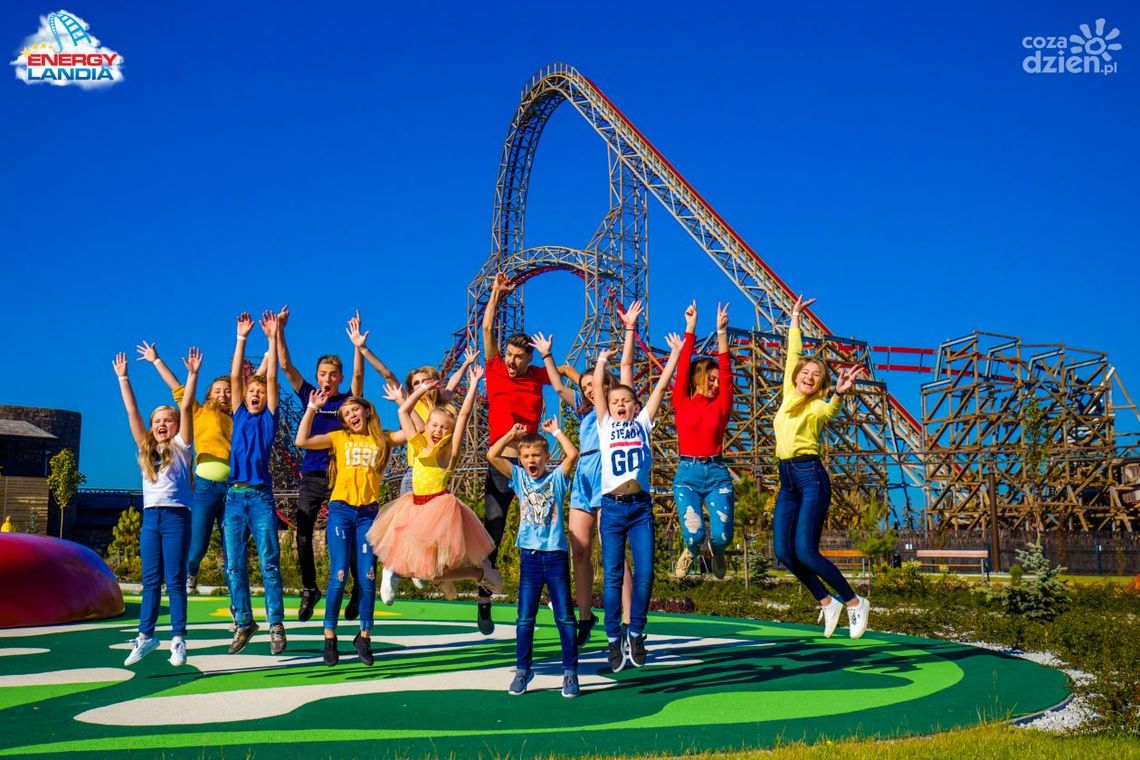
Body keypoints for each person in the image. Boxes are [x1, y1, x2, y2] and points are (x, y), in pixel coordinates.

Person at [530, 303, 640, 647]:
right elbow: (560, 388)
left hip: (608, 477)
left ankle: (625, 620)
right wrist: (548, 357)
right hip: (583, 478)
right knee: (579, 549)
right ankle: (585, 616)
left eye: (596, 384)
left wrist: (629, 331)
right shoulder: (586, 412)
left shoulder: (614, 411)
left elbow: (627, 368)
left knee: (614, 554)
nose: (591, 389)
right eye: (587, 385)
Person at [773, 295, 869, 639]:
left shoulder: (816, 407)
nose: (809, 376)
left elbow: (830, 412)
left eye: (817, 375)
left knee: (805, 550)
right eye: (806, 372)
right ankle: (827, 602)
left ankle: (855, 602)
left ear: (821, 384)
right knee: (783, 552)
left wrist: (839, 393)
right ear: (797, 376)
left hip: (810, 476)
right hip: (787, 479)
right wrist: (795, 317)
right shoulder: (788, 393)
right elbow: (793, 353)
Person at [368, 365, 503, 603]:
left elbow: (462, 416)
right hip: (414, 506)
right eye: (434, 425)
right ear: (426, 426)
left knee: (434, 573)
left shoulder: (448, 453)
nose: (438, 430)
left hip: (439, 512)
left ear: (449, 432)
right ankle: (449, 579)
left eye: (444, 428)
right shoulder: (418, 445)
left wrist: (472, 385)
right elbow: (403, 413)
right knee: (422, 568)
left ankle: (479, 573)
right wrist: (419, 392)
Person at [592, 329, 684, 672]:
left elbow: (660, 387)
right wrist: (602, 362)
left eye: (625, 401)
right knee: (613, 575)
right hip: (612, 507)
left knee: (646, 573)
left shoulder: (643, 423)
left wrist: (674, 354)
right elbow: (600, 394)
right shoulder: (604, 425)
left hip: (641, 507)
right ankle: (613, 638)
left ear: (634, 405)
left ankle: (638, 631)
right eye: (614, 401)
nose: (618, 404)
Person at [295, 392, 403, 666]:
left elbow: (416, 433)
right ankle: (329, 636)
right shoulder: (338, 438)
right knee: (339, 574)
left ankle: (364, 637)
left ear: (367, 411)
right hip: (341, 510)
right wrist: (311, 408)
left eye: (355, 410)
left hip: (368, 513)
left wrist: (403, 403)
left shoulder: (383, 439)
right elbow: (301, 440)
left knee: (367, 576)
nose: (351, 416)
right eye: (346, 414)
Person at [276, 306, 365, 623]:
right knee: (302, 532)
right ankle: (309, 588)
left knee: (350, 534)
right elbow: (285, 365)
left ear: (339, 378)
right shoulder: (309, 395)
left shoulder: (347, 403)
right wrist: (280, 331)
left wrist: (357, 346)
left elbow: (358, 375)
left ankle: (358, 590)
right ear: (317, 377)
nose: (328, 379)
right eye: (323, 374)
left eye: (333, 375)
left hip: (343, 475)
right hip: (313, 474)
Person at [113, 346, 200, 667]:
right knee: (151, 581)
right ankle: (146, 636)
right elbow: (132, 413)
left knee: (174, 579)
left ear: (176, 425)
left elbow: (187, 405)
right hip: (152, 519)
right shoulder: (146, 447)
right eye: (158, 421)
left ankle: (178, 639)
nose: (163, 424)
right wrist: (124, 378)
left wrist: (192, 375)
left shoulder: (182, 446)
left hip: (177, 517)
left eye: (168, 420)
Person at [478, 272, 550, 633]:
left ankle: (546, 595)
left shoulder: (537, 375)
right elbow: (488, 330)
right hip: (501, 463)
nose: (511, 361)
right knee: (493, 530)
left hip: (533, 465)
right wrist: (495, 294)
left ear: (529, 358)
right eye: (509, 355)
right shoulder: (494, 371)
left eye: (519, 357)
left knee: (541, 528)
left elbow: (564, 376)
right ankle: (484, 597)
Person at [488, 420, 580, 697]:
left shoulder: (556, 480)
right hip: (529, 556)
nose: (531, 460)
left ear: (546, 457)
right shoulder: (519, 477)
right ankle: (523, 669)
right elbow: (492, 455)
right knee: (525, 618)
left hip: (555, 556)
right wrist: (511, 435)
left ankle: (570, 673)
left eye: (536, 455)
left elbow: (573, 455)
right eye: (526, 455)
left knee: (564, 617)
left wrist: (555, 433)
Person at [136, 340, 233, 596]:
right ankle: (189, 572)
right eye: (218, 390)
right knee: (198, 542)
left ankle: (236, 605)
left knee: (231, 547)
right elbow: (177, 387)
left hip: (232, 487)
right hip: (205, 486)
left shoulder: (239, 418)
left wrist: (268, 353)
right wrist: (156, 360)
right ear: (209, 393)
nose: (223, 395)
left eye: (229, 391)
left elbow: (256, 384)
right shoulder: (198, 413)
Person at [224, 311, 287, 655]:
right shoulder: (238, 414)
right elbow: (235, 376)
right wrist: (241, 338)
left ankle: (276, 624)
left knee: (269, 562)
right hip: (234, 497)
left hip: (261, 496)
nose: (256, 395)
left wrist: (272, 339)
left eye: (261, 392)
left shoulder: (269, 420)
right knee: (233, 563)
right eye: (252, 391)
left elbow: (273, 377)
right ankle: (244, 622)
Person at [672, 301, 735, 579]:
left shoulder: (722, 406)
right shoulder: (681, 401)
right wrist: (690, 328)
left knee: (722, 536)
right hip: (687, 474)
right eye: (710, 379)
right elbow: (683, 366)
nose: (716, 384)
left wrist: (722, 333)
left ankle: (717, 551)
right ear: (698, 379)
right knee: (695, 533)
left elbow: (727, 374)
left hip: (717, 474)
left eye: (717, 380)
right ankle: (691, 549)